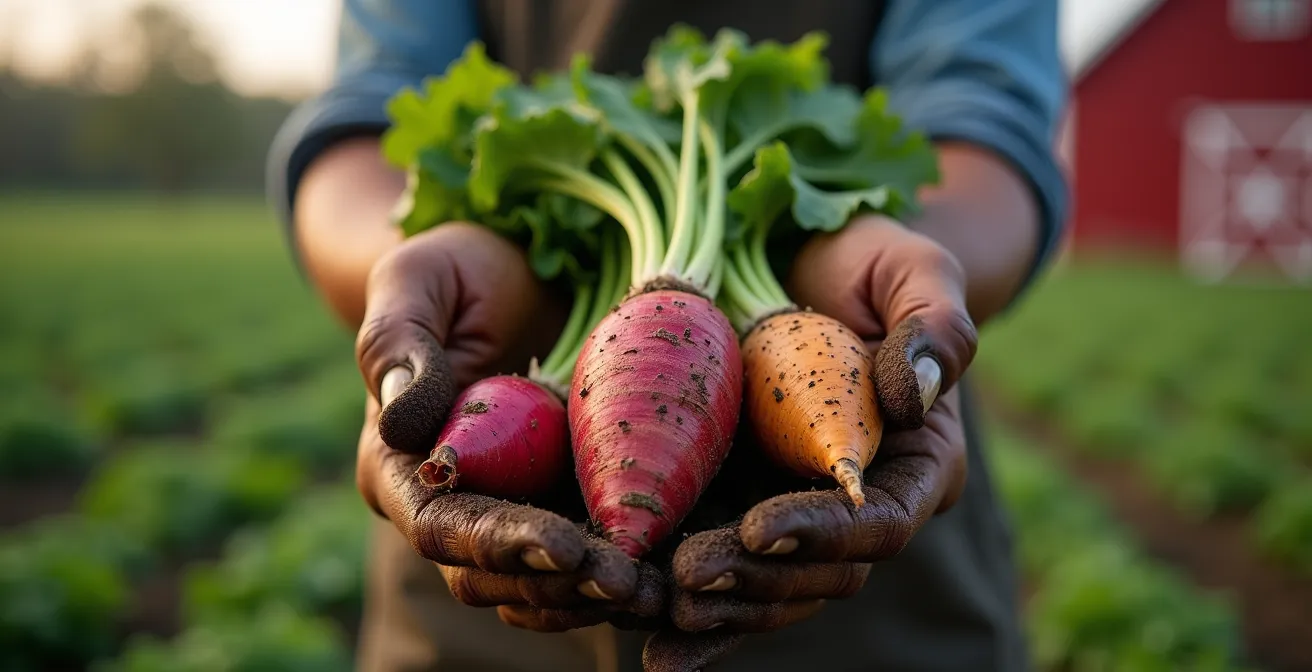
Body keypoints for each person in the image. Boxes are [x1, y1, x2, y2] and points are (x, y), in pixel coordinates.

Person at [268, 1, 1068, 670]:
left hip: (881, 611)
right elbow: (370, 113)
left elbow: (985, 116)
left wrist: (909, 273)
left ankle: (845, 461)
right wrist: (403, 271)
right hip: (472, 602)